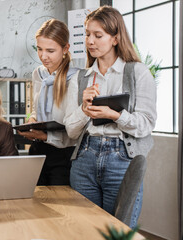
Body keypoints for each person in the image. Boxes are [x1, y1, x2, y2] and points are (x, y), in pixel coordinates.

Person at [63, 6, 157, 228]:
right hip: (84, 157)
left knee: (118, 230)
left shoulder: (137, 72)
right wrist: (83, 110)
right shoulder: (81, 78)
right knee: (84, 230)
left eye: (98, 35)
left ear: (115, 38)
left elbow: (146, 125)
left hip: (123, 158)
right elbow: (71, 131)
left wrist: (116, 115)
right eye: (87, 34)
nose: (90, 41)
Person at [17, 19, 79, 185]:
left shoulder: (76, 78)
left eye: (50, 51)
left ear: (65, 49)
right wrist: (32, 119)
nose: (43, 56)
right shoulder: (38, 74)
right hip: (38, 150)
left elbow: (76, 131)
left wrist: (45, 136)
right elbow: (37, 109)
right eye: (39, 49)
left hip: (64, 155)